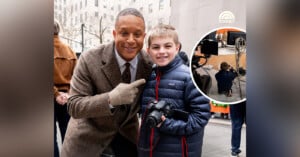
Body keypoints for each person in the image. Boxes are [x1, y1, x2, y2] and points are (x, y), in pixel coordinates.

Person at [60, 8, 153, 157]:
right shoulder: (89, 59)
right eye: (124, 33)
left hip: (127, 140)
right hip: (87, 141)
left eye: (137, 34)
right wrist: (110, 99)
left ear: (144, 36)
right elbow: (74, 106)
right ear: (115, 34)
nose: (130, 40)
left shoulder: (149, 64)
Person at [137, 24, 211, 157]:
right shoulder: (148, 76)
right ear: (148, 51)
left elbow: (201, 117)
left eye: (167, 46)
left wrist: (166, 124)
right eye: (156, 47)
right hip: (150, 151)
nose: (161, 51)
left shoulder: (189, 78)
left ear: (177, 48)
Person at [53, 20, 77, 157]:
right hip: (66, 98)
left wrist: (56, 94)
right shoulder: (70, 50)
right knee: (68, 137)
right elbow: (78, 76)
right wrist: (67, 93)